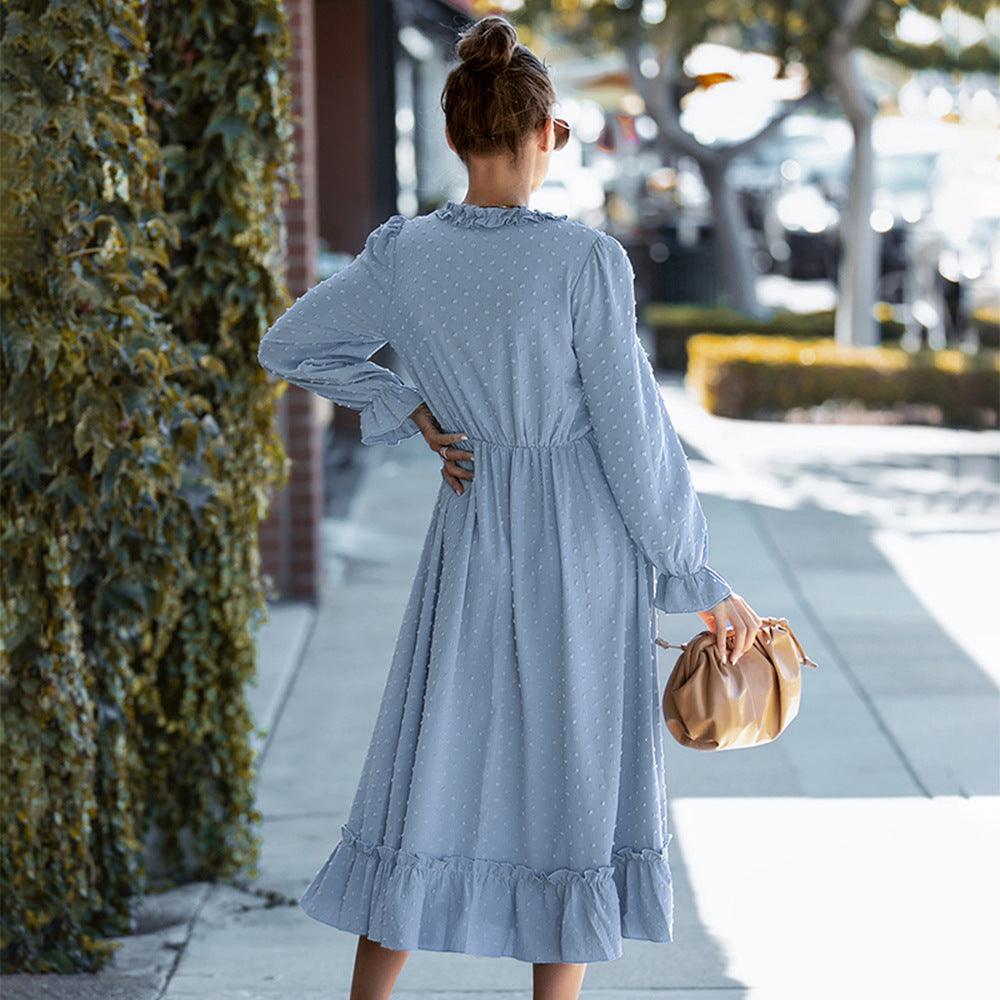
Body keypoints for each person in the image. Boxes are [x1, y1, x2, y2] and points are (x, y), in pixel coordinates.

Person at [257, 14, 762, 1000]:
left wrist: (407, 403)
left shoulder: (404, 253)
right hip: (583, 545)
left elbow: (290, 344)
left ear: (455, 135)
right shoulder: (584, 261)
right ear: (544, 133)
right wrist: (695, 575)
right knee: (569, 784)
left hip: (474, 525)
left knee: (430, 764)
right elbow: (631, 435)